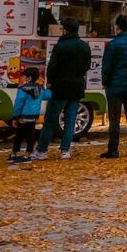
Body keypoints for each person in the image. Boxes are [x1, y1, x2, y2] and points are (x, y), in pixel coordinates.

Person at [32, 17, 91, 161]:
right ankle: (65, 151)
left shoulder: (60, 46)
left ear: (65, 30)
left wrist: (50, 82)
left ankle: (42, 150)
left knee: (51, 119)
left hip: (60, 87)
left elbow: (52, 67)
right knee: (70, 120)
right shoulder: (85, 46)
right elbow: (87, 66)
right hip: (77, 86)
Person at [100, 14, 127, 159]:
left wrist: (105, 82)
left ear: (117, 27)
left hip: (114, 86)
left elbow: (107, 67)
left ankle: (113, 149)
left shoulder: (112, 45)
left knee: (114, 119)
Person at [9, 67, 47, 163]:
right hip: (34, 116)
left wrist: (15, 117)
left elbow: (18, 104)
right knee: (31, 135)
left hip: (23, 116)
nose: (21, 78)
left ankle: (14, 153)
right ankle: (27, 155)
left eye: (23, 76)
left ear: (28, 78)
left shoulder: (22, 90)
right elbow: (48, 95)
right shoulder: (41, 89)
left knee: (19, 135)